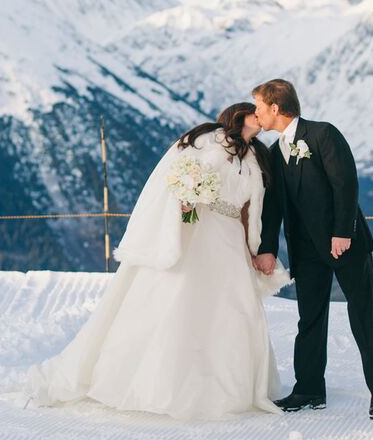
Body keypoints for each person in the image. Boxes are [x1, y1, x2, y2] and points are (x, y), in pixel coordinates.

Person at [23, 102, 292, 420]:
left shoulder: (256, 155)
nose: (260, 117)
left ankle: (229, 386)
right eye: (254, 112)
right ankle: (164, 384)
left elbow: (251, 207)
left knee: (236, 306)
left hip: (231, 237)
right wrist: (187, 199)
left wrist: (253, 247)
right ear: (240, 116)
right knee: (184, 298)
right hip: (200, 231)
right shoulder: (209, 140)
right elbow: (179, 175)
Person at [251, 79, 373, 419]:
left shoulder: (322, 134)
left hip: (345, 244)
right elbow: (271, 209)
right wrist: (268, 248)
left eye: (258, 106)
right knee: (310, 319)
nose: (256, 114)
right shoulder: (273, 154)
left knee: (362, 314)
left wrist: (343, 232)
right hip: (306, 251)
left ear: (275, 107)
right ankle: (309, 389)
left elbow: (346, 183)